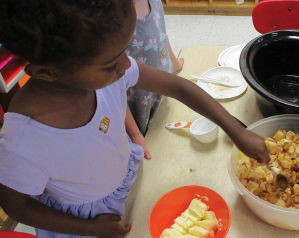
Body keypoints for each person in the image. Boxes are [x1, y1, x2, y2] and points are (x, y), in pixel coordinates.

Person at [0, 1, 269, 237]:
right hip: (84, 221)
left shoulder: (108, 71)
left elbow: (177, 87)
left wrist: (235, 129)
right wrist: (90, 229)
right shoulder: (22, 141)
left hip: (122, 178)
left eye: (125, 51)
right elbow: (16, 206)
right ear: (46, 72)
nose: (127, 65)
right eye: (110, 64)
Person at [124, 0, 184, 159]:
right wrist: (135, 133)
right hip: (136, 109)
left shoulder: (154, 2)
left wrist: (173, 63)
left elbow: (160, 33)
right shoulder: (113, 16)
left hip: (161, 95)